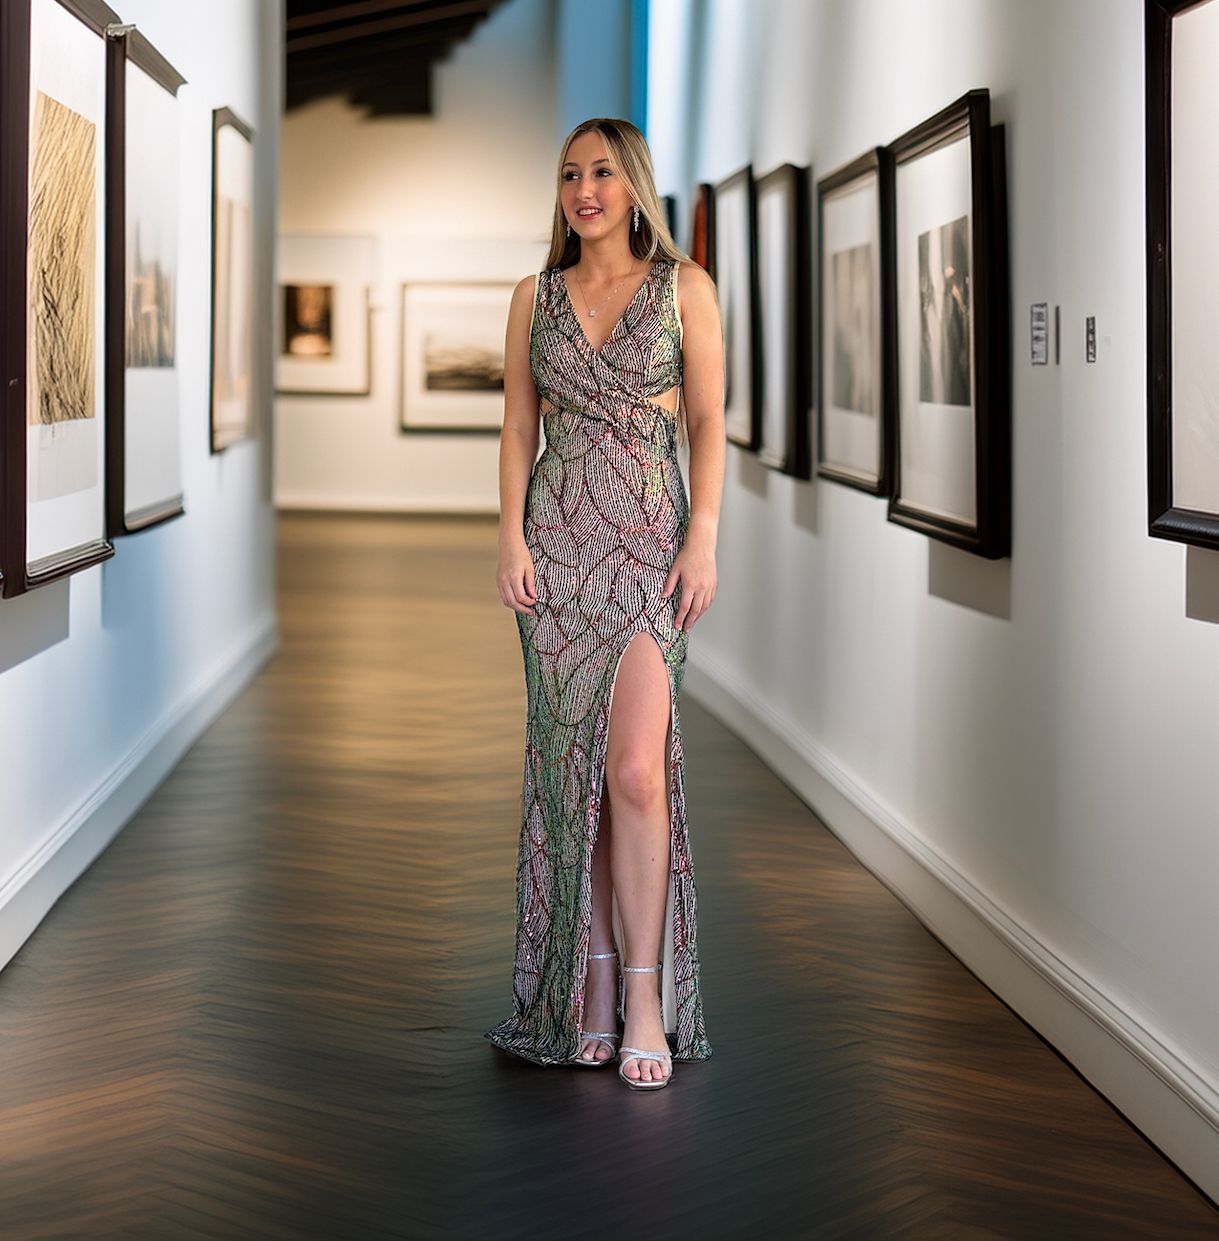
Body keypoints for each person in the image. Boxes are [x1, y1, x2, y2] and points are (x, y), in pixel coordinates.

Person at [485, 117, 725, 1090]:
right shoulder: (534, 295)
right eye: (570, 174)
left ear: (634, 187)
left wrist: (702, 532)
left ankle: (645, 998)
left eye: (602, 173)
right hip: (556, 553)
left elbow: (707, 418)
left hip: (647, 549)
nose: (584, 189)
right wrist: (508, 534)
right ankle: (586, 989)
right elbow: (515, 422)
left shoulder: (683, 289)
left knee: (632, 770)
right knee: (570, 770)